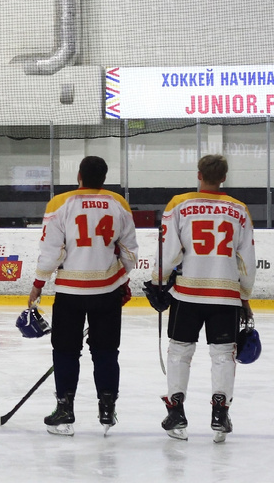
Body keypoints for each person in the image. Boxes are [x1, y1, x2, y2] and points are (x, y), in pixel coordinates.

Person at [143, 154, 255, 442]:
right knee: (222, 355)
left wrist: (158, 282)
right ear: (224, 178)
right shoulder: (239, 209)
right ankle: (220, 413)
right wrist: (244, 296)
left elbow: (169, 250)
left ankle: (176, 411)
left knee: (180, 351)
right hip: (225, 294)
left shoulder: (179, 204)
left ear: (198, 175)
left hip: (188, 294)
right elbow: (247, 260)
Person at [27, 155, 137, 436]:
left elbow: (51, 252)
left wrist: (38, 284)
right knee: (106, 351)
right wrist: (121, 278)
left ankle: (65, 411)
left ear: (79, 176)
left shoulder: (60, 204)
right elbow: (129, 252)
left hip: (70, 293)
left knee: (65, 351)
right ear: (104, 177)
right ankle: (107, 409)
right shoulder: (118, 203)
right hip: (107, 292)